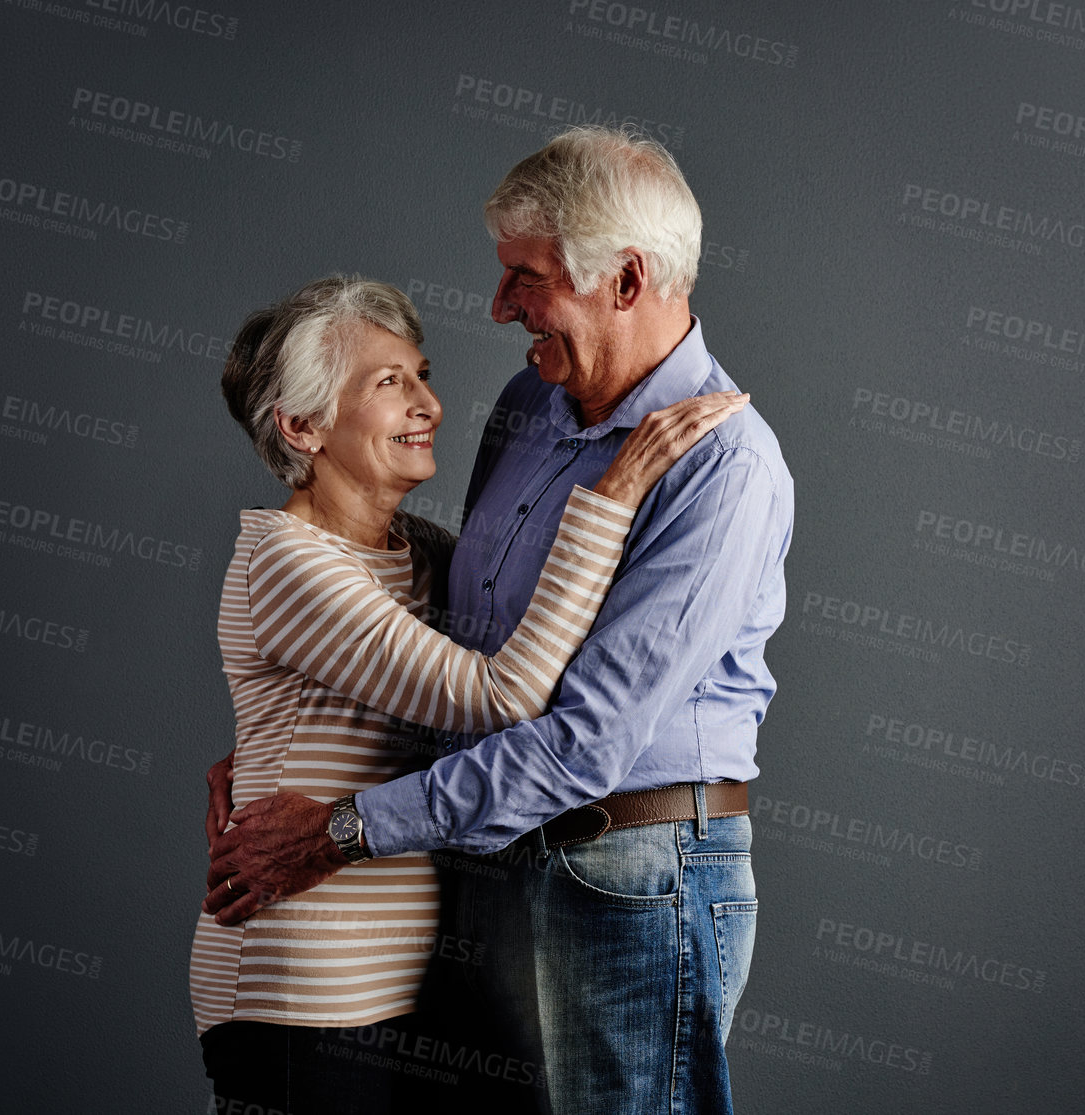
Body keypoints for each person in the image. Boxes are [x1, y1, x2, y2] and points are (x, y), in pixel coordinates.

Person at [205, 126, 793, 1114]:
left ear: (625, 282)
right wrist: (281, 753)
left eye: (527, 276)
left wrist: (344, 825)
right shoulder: (532, 399)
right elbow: (455, 640)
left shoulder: (722, 467)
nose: (499, 306)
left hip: (626, 879)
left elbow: (579, 742)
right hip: (484, 862)